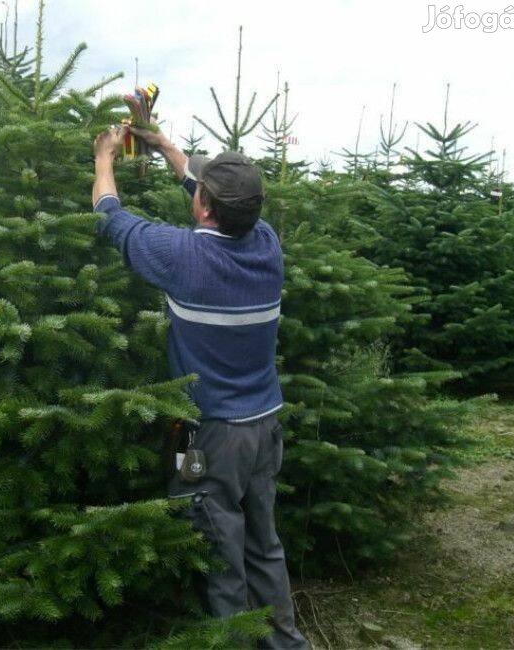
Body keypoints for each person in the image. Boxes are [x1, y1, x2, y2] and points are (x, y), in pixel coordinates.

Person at [91, 124, 309, 650]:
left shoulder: (180, 255)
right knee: (264, 543)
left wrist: (105, 159)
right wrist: (167, 148)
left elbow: (110, 217)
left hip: (213, 434)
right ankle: (285, 642)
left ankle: (233, 642)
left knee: (221, 553)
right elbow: (214, 201)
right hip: (264, 425)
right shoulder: (267, 244)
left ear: (206, 207)